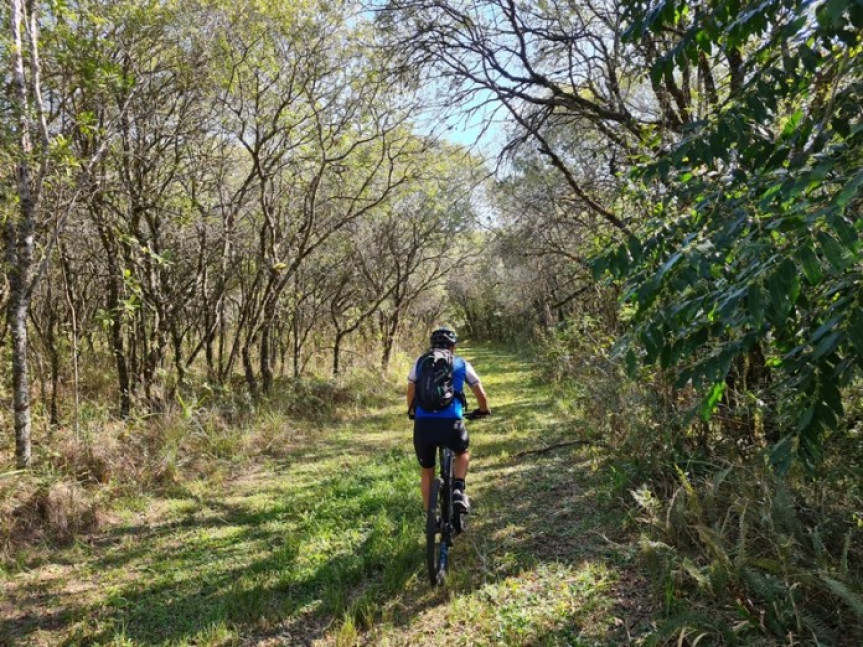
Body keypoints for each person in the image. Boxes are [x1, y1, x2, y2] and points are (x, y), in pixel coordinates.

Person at [406, 326, 490, 515]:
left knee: (427, 470)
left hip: (423, 424)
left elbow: (411, 389)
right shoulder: (461, 363)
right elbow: (479, 391)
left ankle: (431, 517)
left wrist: (412, 411)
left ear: (432, 345)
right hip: (452, 422)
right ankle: (458, 490)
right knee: (462, 452)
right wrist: (483, 410)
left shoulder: (420, 362)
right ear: (452, 346)